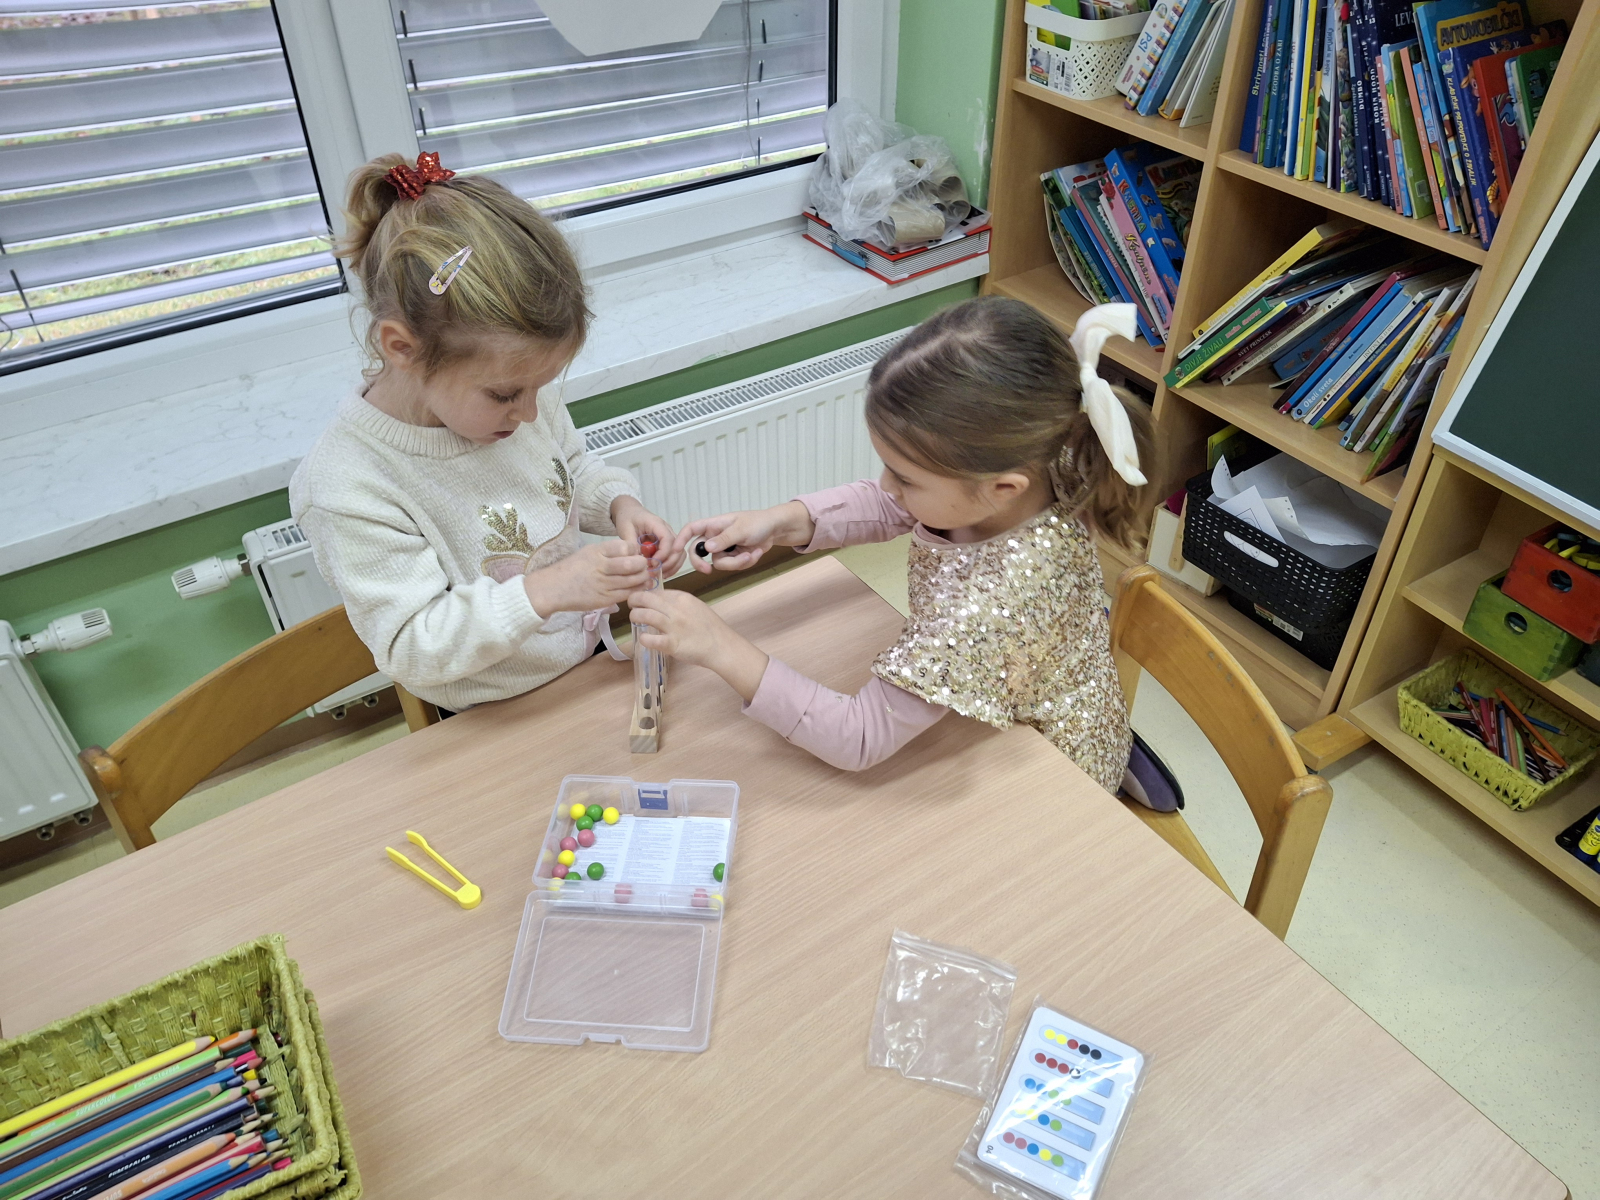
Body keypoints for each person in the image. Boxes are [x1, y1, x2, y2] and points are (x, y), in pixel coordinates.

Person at [627, 297, 1153, 793]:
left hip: (1057, 773)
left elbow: (859, 737)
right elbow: (893, 506)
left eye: (904, 476)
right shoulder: (1030, 460)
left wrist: (719, 646)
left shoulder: (986, 606)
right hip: (1020, 693)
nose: (886, 485)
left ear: (1001, 488)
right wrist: (782, 522)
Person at [291, 152, 680, 712]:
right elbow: (412, 647)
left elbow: (569, 469)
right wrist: (548, 590)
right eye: (504, 395)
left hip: (581, 662)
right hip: (487, 711)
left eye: (539, 388)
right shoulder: (348, 485)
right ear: (402, 348)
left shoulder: (515, 391)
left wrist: (621, 506)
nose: (529, 414)